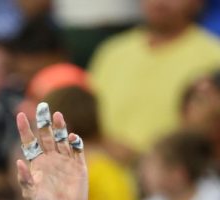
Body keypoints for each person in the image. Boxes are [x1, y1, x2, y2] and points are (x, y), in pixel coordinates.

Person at [88, 0, 220, 162]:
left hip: (176, 172)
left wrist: (144, 159)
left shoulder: (214, 57)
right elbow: (86, 119)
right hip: (100, 171)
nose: (160, 2)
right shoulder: (111, 52)